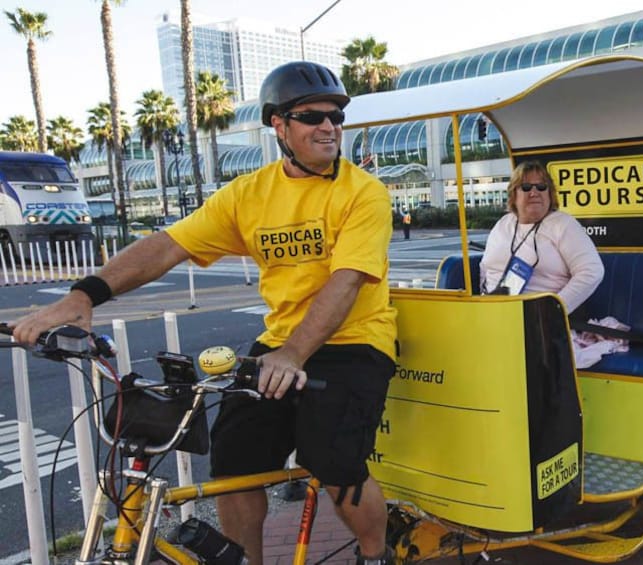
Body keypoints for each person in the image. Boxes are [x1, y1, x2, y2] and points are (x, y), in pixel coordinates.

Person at [11, 61, 397, 565]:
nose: (329, 126)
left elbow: (346, 282)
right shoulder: (249, 194)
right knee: (235, 459)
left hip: (354, 342)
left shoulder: (363, 192)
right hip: (281, 343)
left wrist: (294, 355)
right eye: (312, 116)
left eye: (336, 116)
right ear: (278, 126)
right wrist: (84, 295)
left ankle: (375, 554)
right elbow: (167, 246)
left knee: (334, 458)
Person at [480, 160, 604, 313]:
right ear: (514, 195)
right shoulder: (502, 224)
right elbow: (485, 269)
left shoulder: (563, 224)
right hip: (491, 312)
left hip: (537, 318)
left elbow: (592, 271)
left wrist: (555, 310)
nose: (534, 193)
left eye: (541, 187)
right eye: (526, 187)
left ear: (549, 193)